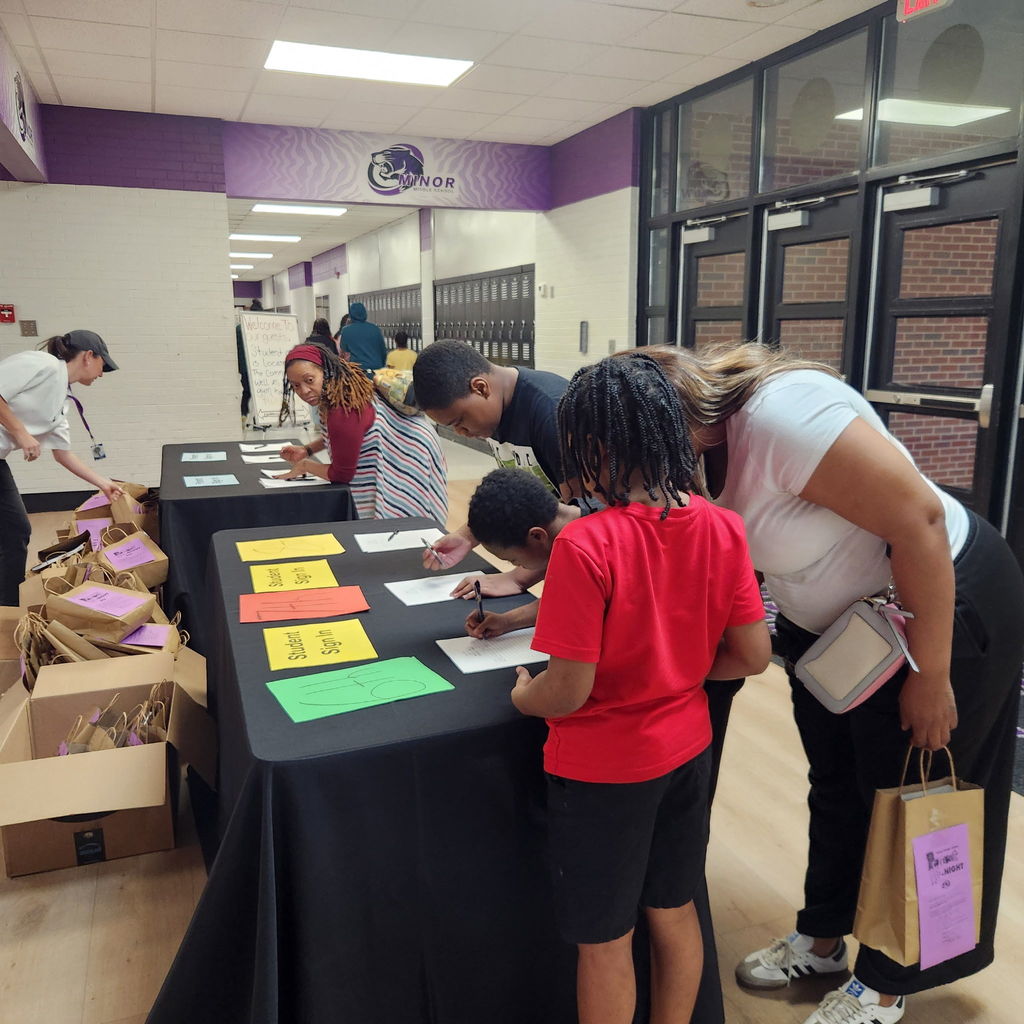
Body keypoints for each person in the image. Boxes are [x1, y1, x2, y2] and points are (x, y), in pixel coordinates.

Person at [625, 344, 1024, 1024]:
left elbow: (920, 521)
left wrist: (931, 676)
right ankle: (822, 939)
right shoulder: (693, 456)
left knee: (907, 799)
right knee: (836, 784)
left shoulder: (784, 417)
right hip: (839, 631)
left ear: (673, 424)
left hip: (937, 613)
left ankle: (887, 983)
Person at [511, 353, 771, 1024]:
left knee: (605, 942)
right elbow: (751, 653)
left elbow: (566, 691)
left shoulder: (585, 545)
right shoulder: (722, 526)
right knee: (675, 907)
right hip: (687, 750)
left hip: (604, 774)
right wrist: (674, 672)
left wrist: (521, 694)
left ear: (592, 448)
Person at [0, 331, 124, 605]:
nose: (102, 374)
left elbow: (63, 454)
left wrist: (103, 483)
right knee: (13, 530)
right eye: (104, 365)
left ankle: (7, 610)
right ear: (89, 356)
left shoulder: (61, 400)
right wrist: (20, 433)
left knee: (15, 531)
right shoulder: (40, 364)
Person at [276, 343, 447, 522]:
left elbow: (342, 474)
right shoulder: (340, 389)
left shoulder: (343, 408)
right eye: (296, 386)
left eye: (309, 380)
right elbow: (345, 437)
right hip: (414, 442)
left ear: (326, 371)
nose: (304, 391)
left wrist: (305, 465)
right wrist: (308, 449)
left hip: (410, 456)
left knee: (407, 521)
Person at [460, 468, 579, 639]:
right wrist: (507, 621)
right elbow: (563, 602)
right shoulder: (575, 519)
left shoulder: (592, 549)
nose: (519, 567)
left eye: (514, 560)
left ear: (537, 536)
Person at [338, 302, 387, 375]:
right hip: (377, 372)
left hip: (359, 374)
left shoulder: (346, 330)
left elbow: (343, 353)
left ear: (351, 315)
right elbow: (383, 352)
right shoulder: (375, 329)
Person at [236, 298, 262, 422]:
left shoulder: (238, 329)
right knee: (259, 393)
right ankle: (258, 418)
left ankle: (244, 414)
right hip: (260, 367)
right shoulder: (261, 329)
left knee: (247, 392)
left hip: (245, 368)